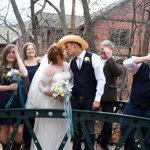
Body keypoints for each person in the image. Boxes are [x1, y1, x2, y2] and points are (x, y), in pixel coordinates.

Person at [58, 34, 106, 150]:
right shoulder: (71, 62)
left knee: (89, 128)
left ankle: (89, 148)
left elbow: (101, 79)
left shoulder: (93, 57)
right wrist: (62, 92)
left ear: (74, 46)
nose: (66, 50)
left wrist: (97, 99)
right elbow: (71, 82)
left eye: (67, 47)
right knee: (75, 128)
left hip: (90, 99)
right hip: (74, 99)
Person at [26, 43, 72, 150]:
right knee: (51, 127)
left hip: (65, 101)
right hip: (52, 102)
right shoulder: (49, 69)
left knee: (63, 127)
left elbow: (72, 81)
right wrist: (52, 93)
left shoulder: (68, 65)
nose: (66, 52)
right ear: (58, 55)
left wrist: (67, 93)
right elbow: (40, 85)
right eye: (63, 51)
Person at [0, 44, 28, 150]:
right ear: (5, 53)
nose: (11, 54)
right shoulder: (0, 67)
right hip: (4, 102)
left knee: (19, 130)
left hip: (19, 101)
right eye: (10, 52)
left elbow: (25, 74)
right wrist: (8, 87)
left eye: (14, 52)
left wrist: (18, 56)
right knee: (6, 128)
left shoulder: (18, 67)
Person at [96, 40, 123, 150]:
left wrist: (109, 58)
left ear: (111, 50)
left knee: (108, 121)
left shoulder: (116, 60)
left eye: (105, 49)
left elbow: (118, 72)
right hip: (95, 95)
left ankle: (104, 142)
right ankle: (90, 139)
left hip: (108, 95)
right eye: (102, 49)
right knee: (89, 118)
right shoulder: (95, 59)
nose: (103, 51)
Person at [121, 54, 150, 150]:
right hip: (133, 105)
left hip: (148, 109)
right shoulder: (141, 66)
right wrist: (146, 58)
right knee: (125, 129)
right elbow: (126, 63)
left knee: (148, 139)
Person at [22, 42, 41, 150]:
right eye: (28, 49)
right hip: (25, 93)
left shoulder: (40, 62)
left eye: (32, 49)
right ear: (25, 52)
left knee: (37, 118)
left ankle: (36, 142)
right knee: (27, 118)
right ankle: (26, 143)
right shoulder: (22, 63)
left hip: (38, 94)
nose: (30, 51)